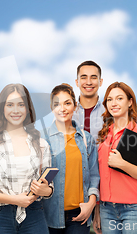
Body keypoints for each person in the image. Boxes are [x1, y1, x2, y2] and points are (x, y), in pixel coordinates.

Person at [0, 83, 52, 234]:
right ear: (2, 109)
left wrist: (46, 190)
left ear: (27, 109)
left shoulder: (42, 145)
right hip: (1, 217)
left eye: (21, 105)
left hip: (35, 216)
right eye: (10, 105)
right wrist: (16, 200)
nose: (15, 110)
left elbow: (50, 187)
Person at [95, 82, 137, 234]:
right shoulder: (104, 135)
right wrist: (97, 208)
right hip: (106, 209)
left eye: (119, 98)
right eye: (109, 100)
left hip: (133, 209)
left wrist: (123, 164)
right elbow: (99, 175)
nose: (114, 103)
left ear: (130, 102)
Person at [43, 83, 100, 234]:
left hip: (79, 215)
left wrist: (91, 203)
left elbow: (94, 175)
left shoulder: (86, 139)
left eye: (67, 103)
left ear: (75, 106)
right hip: (49, 215)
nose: (62, 108)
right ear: (52, 107)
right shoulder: (42, 138)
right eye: (57, 104)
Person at [72, 61, 106, 141]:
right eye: (84, 77)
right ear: (77, 82)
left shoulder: (108, 112)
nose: (89, 82)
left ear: (100, 82)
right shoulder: (66, 112)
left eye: (93, 77)